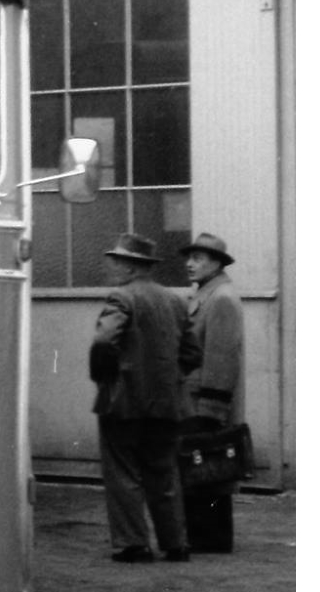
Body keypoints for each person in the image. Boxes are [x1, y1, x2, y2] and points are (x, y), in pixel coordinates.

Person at [88, 233, 200, 563]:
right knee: (164, 473)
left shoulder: (121, 298)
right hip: (167, 403)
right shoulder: (176, 301)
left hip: (123, 402)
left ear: (130, 266)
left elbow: (104, 342)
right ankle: (175, 543)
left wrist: (105, 378)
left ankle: (133, 544)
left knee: (123, 473)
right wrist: (169, 377)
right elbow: (193, 353)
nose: (112, 267)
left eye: (117, 261)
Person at [179, 233, 245, 552]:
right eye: (189, 258)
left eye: (199, 259)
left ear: (217, 263)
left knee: (210, 467)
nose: (190, 264)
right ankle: (206, 536)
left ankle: (212, 539)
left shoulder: (220, 299)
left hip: (205, 400)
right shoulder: (208, 294)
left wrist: (212, 410)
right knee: (204, 468)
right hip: (196, 398)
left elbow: (221, 356)